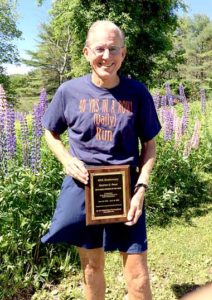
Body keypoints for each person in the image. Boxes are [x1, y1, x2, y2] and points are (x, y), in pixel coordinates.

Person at [41, 20, 161, 300]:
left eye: (113, 49)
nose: (106, 56)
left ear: (123, 53)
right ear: (86, 52)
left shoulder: (137, 93)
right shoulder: (68, 92)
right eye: (99, 49)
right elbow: (50, 131)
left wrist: (141, 188)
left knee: (139, 277)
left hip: (126, 192)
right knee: (91, 269)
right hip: (84, 190)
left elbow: (151, 145)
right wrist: (65, 159)